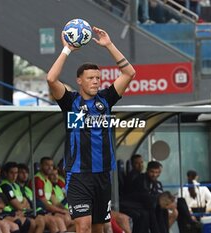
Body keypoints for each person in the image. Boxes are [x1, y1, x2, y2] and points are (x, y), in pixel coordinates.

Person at [47, 26, 135, 233]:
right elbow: (51, 79)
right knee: (83, 227)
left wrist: (109, 45)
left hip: (103, 175)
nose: (95, 81)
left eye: (98, 77)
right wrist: (66, 50)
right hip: (78, 176)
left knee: (99, 229)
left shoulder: (106, 99)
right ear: (79, 81)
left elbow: (129, 73)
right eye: (90, 78)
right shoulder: (70, 102)